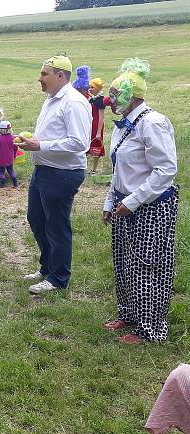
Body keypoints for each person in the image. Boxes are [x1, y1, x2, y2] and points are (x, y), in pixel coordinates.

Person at [101, 58, 177, 344]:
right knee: (124, 264)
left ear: (130, 97)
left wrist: (132, 201)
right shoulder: (123, 125)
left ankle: (150, 329)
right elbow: (120, 168)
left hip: (152, 207)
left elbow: (166, 170)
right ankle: (130, 314)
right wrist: (110, 201)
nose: (108, 100)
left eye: (113, 94)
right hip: (124, 204)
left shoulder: (153, 123)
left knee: (147, 266)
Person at [16, 55, 91, 294]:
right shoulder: (51, 99)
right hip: (43, 170)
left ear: (60, 76)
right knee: (36, 219)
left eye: (44, 74)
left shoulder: (74, 102)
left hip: (63, 173)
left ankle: (59, 278)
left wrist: (42, 146)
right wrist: (35, 144)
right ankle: (48, 266)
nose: (39, 79)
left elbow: (79, 142)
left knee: (56, 225)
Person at [88, 77, 108, 174]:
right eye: (89, 87)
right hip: (90, 124)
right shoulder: (92, 99)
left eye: (92, 87)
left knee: (96, 147)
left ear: (98, 88)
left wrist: (99, 131)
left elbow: (101, 118)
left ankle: (94, 169)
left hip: (96, 125)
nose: (90, 89)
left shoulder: (100, 100)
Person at [0, 121, 18, 188]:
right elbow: (15, 147)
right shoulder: (12, 138)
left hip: (1, 159)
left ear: (0, 130)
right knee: (11, 170)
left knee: (1, 171)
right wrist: (14, 154)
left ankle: (2, 183)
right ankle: (15, 183)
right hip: (10, 158)